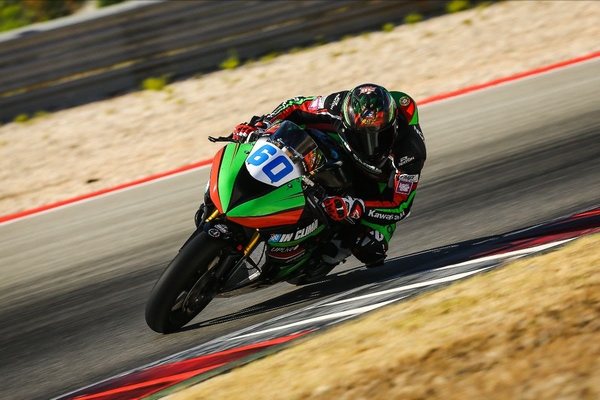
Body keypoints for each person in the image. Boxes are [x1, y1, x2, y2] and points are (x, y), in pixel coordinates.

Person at [231, 83, 427, 268]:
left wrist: (356, 206)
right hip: (334, 149)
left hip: (376, 182)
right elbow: (296, 105)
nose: (370, 144)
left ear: (394, 126)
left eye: (379, 136)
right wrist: (263, 124)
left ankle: (314, 246)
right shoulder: (338, 104)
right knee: (283, 134)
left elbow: (400, 206)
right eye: (360, 135)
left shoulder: (410, 152)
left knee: (371, 247)